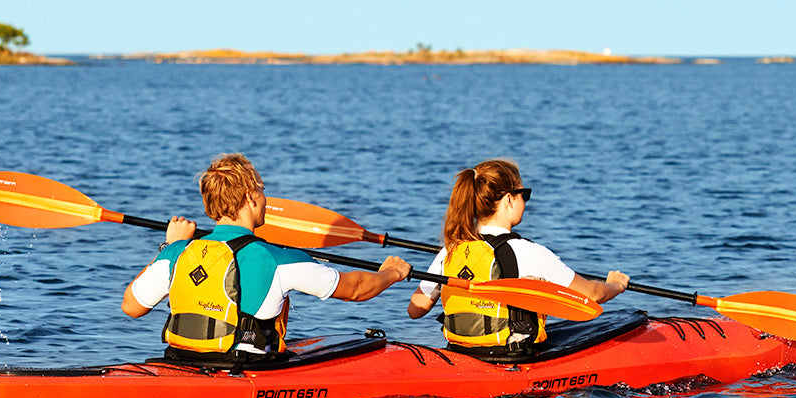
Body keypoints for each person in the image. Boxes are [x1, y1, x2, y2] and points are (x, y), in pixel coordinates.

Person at [122, 153, 411, 362]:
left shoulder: (177, 252)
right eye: (262, 189)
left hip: (180, 362)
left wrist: (169, 245)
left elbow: (131, 307)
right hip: (243, 379)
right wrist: (392, 273)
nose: (266, 198)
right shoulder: (275, 258)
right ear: (250, 197)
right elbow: (356, 289)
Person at [406, 158, 628, 360]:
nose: (526, 201)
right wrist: (616, 285)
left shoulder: (450, 251)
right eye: (525, 194)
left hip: (461, 354)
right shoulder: (529, 253)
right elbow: (591, 294)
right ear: (509, 199)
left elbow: (416, 310)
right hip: (511, 360)